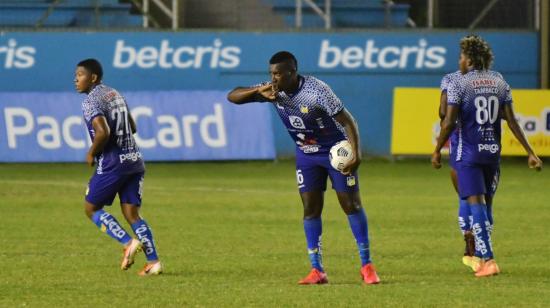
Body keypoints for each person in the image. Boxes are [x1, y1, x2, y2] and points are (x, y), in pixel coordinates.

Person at [227, 51, 380, 285]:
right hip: (307, 155)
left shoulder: (316, 91)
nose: (274, 78)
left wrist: (356, 155)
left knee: (351, 205)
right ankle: (317, 270)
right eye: (271, 74)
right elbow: (233, 96)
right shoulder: (271, 91)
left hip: (335, 151)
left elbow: (348, 121)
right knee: (310, 209)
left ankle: (367, 266)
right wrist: (257, 92)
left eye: (278, 73)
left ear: (292, 72)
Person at [432, 36, 542, 277]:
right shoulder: (499, 81)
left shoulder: (458, 83)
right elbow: (511, 120)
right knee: (486, 204)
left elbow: (447, 120)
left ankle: (488, 259)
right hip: (492, 152)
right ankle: (480, 256)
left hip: (468, 152)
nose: (459, 61)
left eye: (461, 57)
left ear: (469, 59)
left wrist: (437, 149)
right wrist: (530, 152)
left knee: (474, 203)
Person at [75, 58, 162, 276]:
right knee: (132, 213)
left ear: (92, 78)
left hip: (113, 163)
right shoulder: (115, 93)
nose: (75, 80)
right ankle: (153, 262)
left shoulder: (90, 101)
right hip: (134, 160)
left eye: (79, 75)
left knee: (91, 208)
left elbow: (103, 132)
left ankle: (127, 243)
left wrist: (91, 152)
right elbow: (132, 126)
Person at [439, 70, 478, 270]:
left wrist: (438, 148)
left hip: (462, 144)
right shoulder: (495, 79)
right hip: (488, 144)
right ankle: (483, 250)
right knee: (484, 198)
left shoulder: (451, 79)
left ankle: (469, 240)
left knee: (465, 196)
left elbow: (444, 114)